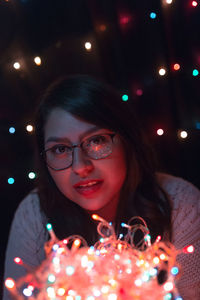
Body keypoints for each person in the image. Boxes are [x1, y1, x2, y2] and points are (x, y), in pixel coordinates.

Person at [3, 74, 200, 300]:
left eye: (96, 141)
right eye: (60, 149)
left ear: (127, 141)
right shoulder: (34, 215)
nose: (80, 166)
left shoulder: (180, 205)